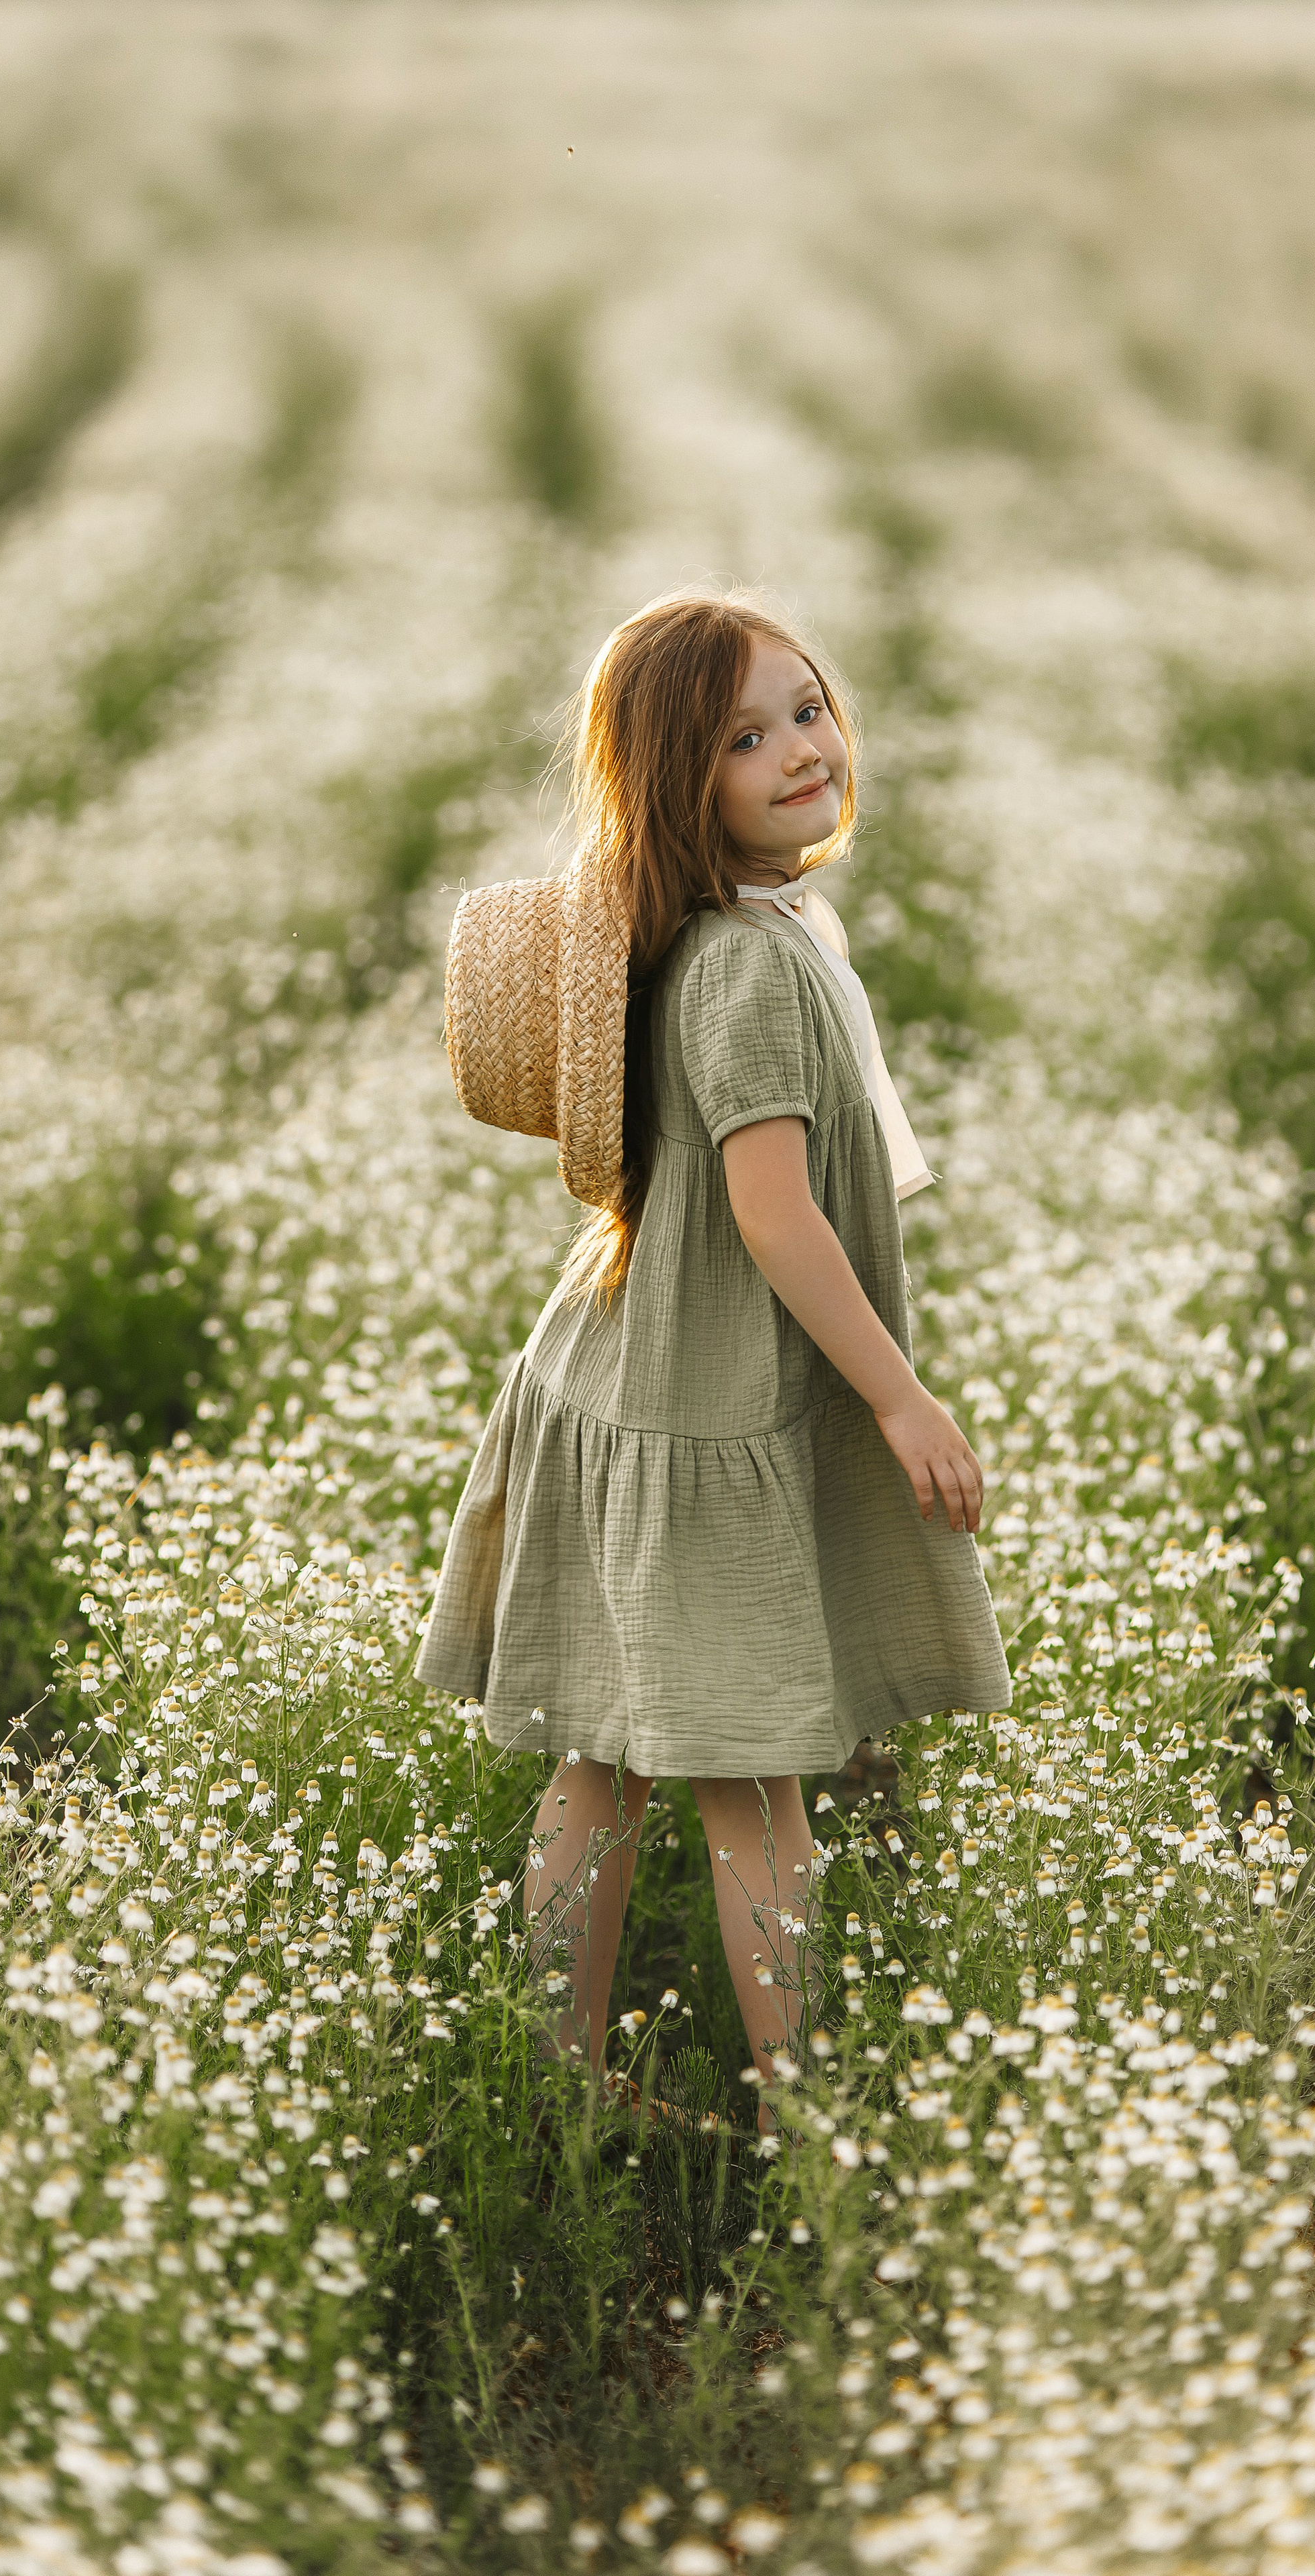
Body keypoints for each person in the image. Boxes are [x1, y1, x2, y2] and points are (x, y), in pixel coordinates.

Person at [414, 590, 1012, 2123]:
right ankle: (808, 2125)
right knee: (755, 1797)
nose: (799, 750)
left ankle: (560, 2081)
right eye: (745, 737)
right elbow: (769, 1213)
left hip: (638, 1382)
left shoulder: (751, 928)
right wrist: (899, 1397)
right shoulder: (746, 968)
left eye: (805, 708)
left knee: (603, 1767)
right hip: (694, 1416)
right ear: (682, 782)